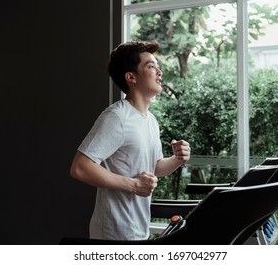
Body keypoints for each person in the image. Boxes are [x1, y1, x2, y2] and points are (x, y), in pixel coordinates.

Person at [69, 40, 191, 241]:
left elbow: (156, 167)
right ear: (131, 77)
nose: (159, 72)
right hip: (113, 235)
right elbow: (80, 167)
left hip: (138, 231)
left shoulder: (150, 120)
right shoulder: (116, 117)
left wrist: (177, 159)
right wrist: (134, 185)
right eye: (151, 66)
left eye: (157, 66)